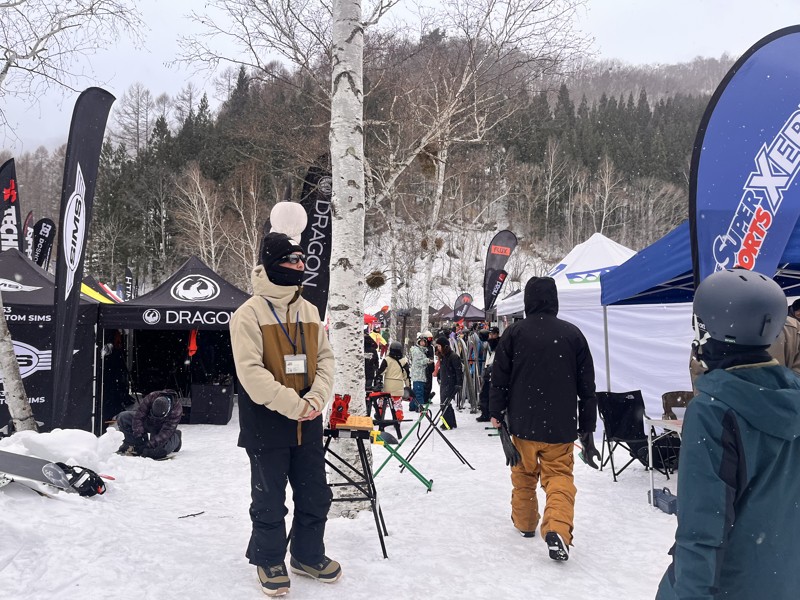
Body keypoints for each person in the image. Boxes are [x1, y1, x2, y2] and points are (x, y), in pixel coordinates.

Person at [656, 268, 800, 599]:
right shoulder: (792, 397)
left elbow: (701, 528)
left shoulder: (713, 410)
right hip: (783, 579)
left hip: (731, 584)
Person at [230, 232, 340, 597]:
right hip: (267, 425)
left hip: (307, 424)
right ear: (273, 264)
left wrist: (317, 399)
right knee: (268, 498)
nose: (301, 266)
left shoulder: (309, 310)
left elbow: (325, 359)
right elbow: (252, 375)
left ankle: (307, 555)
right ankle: (269, 559)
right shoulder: (248, 314)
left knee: (315, 495)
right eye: (293, 260)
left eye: (302, 260)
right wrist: (298, 405)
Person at [489, 276, 598, 561]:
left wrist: (496, 412)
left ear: (527, 301)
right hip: (560, 427)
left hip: (523, 424)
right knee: (559, 477)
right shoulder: (573, 335)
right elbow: (588, 389)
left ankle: (525, 524)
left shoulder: (514, 333)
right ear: (555, 301)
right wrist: (587, 427)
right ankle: (558, 529)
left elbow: (498, 378)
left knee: (523, 474)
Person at [116, 390, 183, 459]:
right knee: (123, 417)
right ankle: (132, 443)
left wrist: (149, 445)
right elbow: (138, 417)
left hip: (162, 428)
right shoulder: (151, 397)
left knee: (159, 450)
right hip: (148, 420)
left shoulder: (176, 410)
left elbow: (166, 432)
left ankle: (176, 438)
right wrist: (140, 436)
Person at [377, 340, 411, 421]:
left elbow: (380, 373)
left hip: (387, 387)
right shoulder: (404, 361)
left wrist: (378, 382)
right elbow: (406, 376)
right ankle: (398, 418)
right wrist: (408, 386)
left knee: (382, 403)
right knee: (397, 404)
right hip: (398, 387)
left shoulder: (387, 360)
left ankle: (379, 416)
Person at [435, 336, 462, 429]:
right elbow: (442, 369)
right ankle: (451, 422)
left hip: (450, 383)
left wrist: (459, 384)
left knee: (445, 403)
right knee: (445, 403)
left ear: (444, 346)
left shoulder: (453, 356)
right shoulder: (443, 356)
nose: (437, 348)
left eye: (439, 346)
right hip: (444, 382)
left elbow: (458, 371)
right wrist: (439, 376)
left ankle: (447, 423)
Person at [476, 326, 500, 422]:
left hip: (494, 371)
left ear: (497, 334)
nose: (491, 336)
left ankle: (491, 414)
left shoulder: (499, 343)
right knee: (484, 393)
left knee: (491, 394)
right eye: (490, 334)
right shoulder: (488, 343)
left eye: (493, 334)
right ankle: (485, 413)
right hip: (488, 369)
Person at [409, 334, 431, 412]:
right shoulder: (417, 351)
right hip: (418, 375)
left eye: (424, 342)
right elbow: (417, 362)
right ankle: (420, 407)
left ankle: (412, 406)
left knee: (415, 392)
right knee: (419, 392)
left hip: (419, 374)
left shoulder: (420, 350)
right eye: (421, 342)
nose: (423, 343)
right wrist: (427, 360)